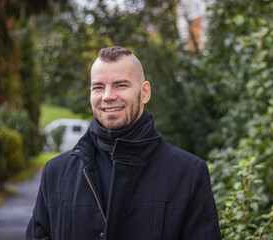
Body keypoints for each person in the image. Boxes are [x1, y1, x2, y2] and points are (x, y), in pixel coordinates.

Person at [26, 46, 221, 239]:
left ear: (145, 92)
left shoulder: (188, 173)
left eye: (120, 85)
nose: (108, 96)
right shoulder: (56, 173)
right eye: (98, 87)